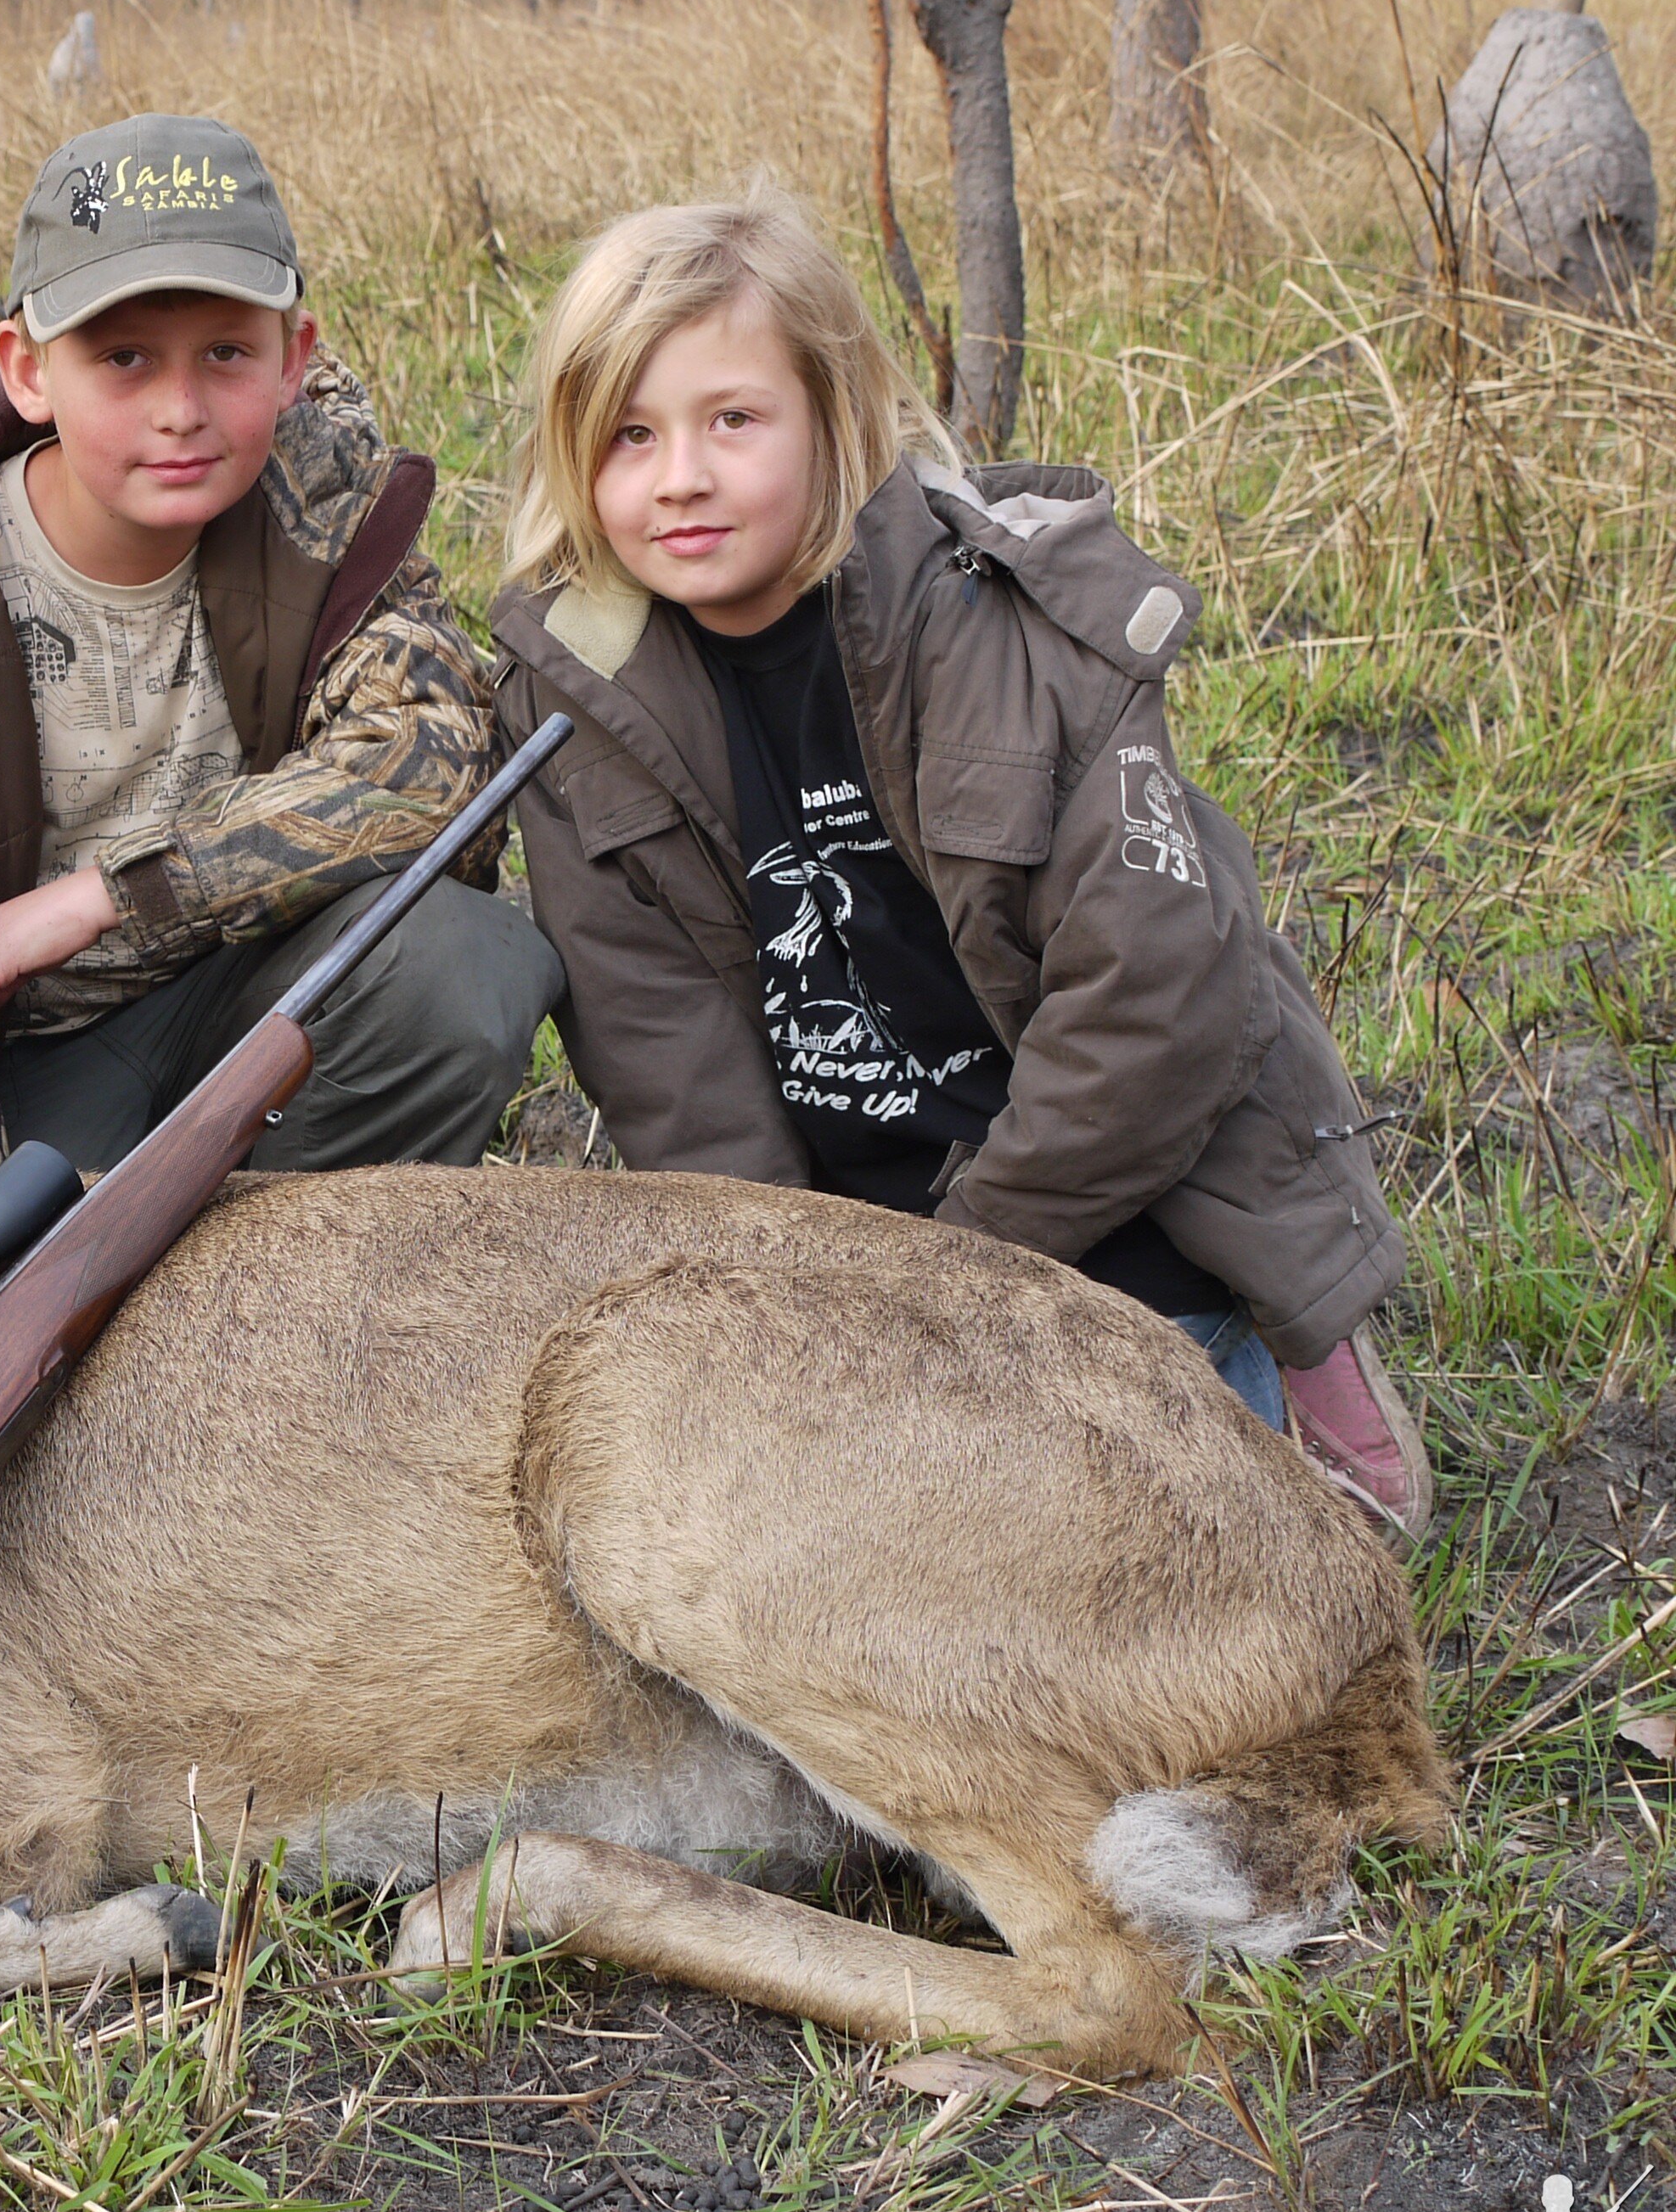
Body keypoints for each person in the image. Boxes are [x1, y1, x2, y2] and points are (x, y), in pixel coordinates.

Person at [487, 194, 1433, 1534]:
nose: (678, 477)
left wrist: (975, 1268)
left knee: (1204, 1548)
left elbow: (1157, 1000)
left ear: (835, 411)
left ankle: (1288, 1322)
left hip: (1107, 1180)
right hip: (854, 1220)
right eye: (630, 437)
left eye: (732, 421)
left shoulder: (1014, 626)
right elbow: (658, 1043)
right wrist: (806, 1299)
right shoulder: (579, 696)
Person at [0, 114, 562, 1234]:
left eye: (225, 354)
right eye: (123, 357)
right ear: (29, 369)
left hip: (259, 1004)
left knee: (461, 965)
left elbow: (431, 762)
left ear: (295, 359)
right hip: (23, 1079)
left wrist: (113, 895)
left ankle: (294, 1291)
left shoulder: (330, 508)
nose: (180, 409)